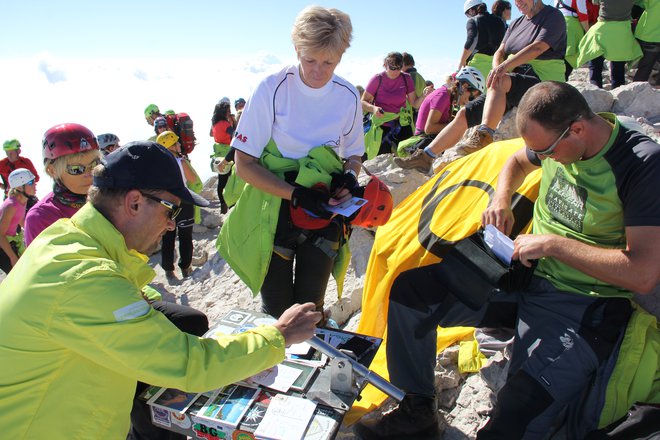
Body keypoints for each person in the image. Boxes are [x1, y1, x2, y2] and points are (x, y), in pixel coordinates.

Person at [354, 81, 660, 439]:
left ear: (577, 129)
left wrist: (553, 245)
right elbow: (516, 159)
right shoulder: (558, 141)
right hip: (524, 279)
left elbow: (642, 273)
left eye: (545, 152)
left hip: (582, 306)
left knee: (511, 423)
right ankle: (418, 411)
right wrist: (501, 198)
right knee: (412, 294)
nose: (541, 159)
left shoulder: (640, 164)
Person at [0, 140, 321, 439]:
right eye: (172, 210)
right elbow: (190, 365)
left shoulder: (66, 238)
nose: (171, 225)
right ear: (135, 202)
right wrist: (279, 335)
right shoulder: (86, 277)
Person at [218, 6, 364, 322]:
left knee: (310, 310)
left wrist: (349, 179)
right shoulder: (271, 88)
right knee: (277, 313)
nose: (317, 71)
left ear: (341, 55)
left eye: (329, 62)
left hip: (323, 211)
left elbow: (354, 155)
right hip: (273, 211)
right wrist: (296, 194)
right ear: (296, 49)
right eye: (309, 59)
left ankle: (308, 366)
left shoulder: (347, 95)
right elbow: (244, 164)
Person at [395, 0, 566, 174]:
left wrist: (503, 69)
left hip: (543, 81)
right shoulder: (516, 23)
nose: (518, 3)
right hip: (513, 80)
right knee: (464, 113)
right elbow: (500, 50)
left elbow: (538, 47)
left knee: (500, 81)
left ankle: (484, 135)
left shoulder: (553, 17)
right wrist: (497, 67)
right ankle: (426, 156)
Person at [394, 67, 486, 165]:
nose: (469, 102)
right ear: (464, 87)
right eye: (471, 97)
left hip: (428, 139)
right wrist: (457, 125)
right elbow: (429, 128)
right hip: (423, 140)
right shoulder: (442, 96)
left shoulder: (448, 97)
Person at [362, 51, 422, 157]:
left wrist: (424, 96)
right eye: (392, 67)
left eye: (399, 68)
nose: (395, 71)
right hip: (382, 126)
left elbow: (414, 104)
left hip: (402, 124)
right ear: (385, 65)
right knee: (381, 162)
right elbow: (362, 102)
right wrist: (374, 108)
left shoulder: (406, 78)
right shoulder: (377, 79)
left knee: (408, 158)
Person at [156, 131, 197, 278]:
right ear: (171, 146)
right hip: (184, 201)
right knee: (185, 235)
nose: (180, 144)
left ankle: (168, 269)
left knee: (168, 236)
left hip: (166, 203)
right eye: (177, 143)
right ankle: (185, 267)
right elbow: (192, 179)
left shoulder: (158, 166)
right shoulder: (181, 162)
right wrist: (185, 162)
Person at [576, 0, 642, 89]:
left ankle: (596, 92)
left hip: (602, 31)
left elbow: (594, 2)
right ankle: (618, 95)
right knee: (618, 69)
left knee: (595, 68)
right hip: (621, 32)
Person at [459, 0, 507, 80]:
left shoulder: (473, 21)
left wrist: (461, 62)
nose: (468, 17)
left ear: (471, 11)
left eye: (467, 14)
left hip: (478, 66)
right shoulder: (500, 21)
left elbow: (472, 40)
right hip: (497, 65)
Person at [0, 168, 35, 274]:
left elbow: (22, 221)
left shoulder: (22, 201)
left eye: (33, 180)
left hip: (10, 242)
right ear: (20, 187)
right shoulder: (12, 205)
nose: (35, 184)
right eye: (30, 182)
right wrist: (12, 257)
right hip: (3, 246)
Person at [555, 0, 600, 80]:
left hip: (558, 23)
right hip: (571, 25)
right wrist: (588, 33)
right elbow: (582, 13)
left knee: (560, 61)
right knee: (569, 60)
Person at [210, 100, 236, 214]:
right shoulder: (225, 124)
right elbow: (235, 134)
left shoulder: (214, 124)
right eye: (228, 111)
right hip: (228, 153)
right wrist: (233, 121)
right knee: (232, 179)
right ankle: (231, 203)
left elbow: (211, 134)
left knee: (221, 181)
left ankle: (222, 203)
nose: (229, 113)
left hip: (218, 154)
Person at [632, 0, 660, 84]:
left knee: (645, 67)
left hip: (650, 35)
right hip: (650, 36)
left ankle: (636, 90)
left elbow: (636, 2)